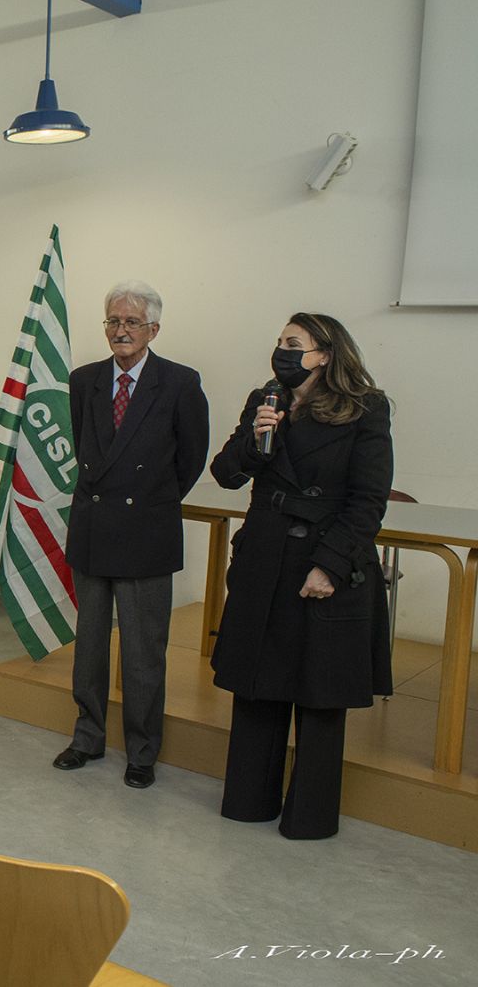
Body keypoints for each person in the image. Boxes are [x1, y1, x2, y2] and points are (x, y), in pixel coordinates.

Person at [211, 313, 393, 839]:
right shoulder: (265, 399)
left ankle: (309, 818)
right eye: (279, 342)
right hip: (264, 560)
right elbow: (226, 474)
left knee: (318, 695)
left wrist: (330, 564)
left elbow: (368, 500)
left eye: (293, 343)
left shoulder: (365, 408)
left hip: (323, 564)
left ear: (325, 354)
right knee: (257, 685)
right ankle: (248, 801)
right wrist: (256, 438)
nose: (282, 351)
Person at [55, 281, 210, 789]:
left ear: (153, 330)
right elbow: (86, 444)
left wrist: (151, 502)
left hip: (147, 532)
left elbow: (191, 458)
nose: (121, 330)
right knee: (89, 647)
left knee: (144, 652)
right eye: (113, 321)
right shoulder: (85, 380)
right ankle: (87, 737)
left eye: (132, 322)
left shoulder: (181, 382)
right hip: (94, 528)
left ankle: (142, 751)